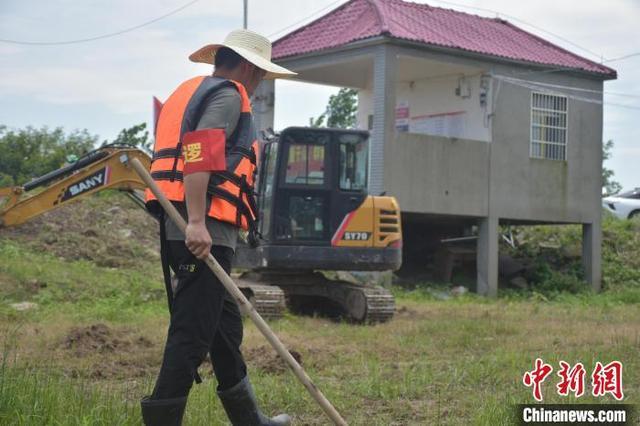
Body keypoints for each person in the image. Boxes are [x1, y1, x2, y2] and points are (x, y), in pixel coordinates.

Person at [142, 29, 296, 426]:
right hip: (201, 229)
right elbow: (198, 153)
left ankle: (251, 421)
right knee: (192, 334)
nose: (260, 85)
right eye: (260, 75)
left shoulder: (195, 91)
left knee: (224, 331)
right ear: (247, 66)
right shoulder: (228, 94)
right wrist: (196, 221)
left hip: (197, 228)